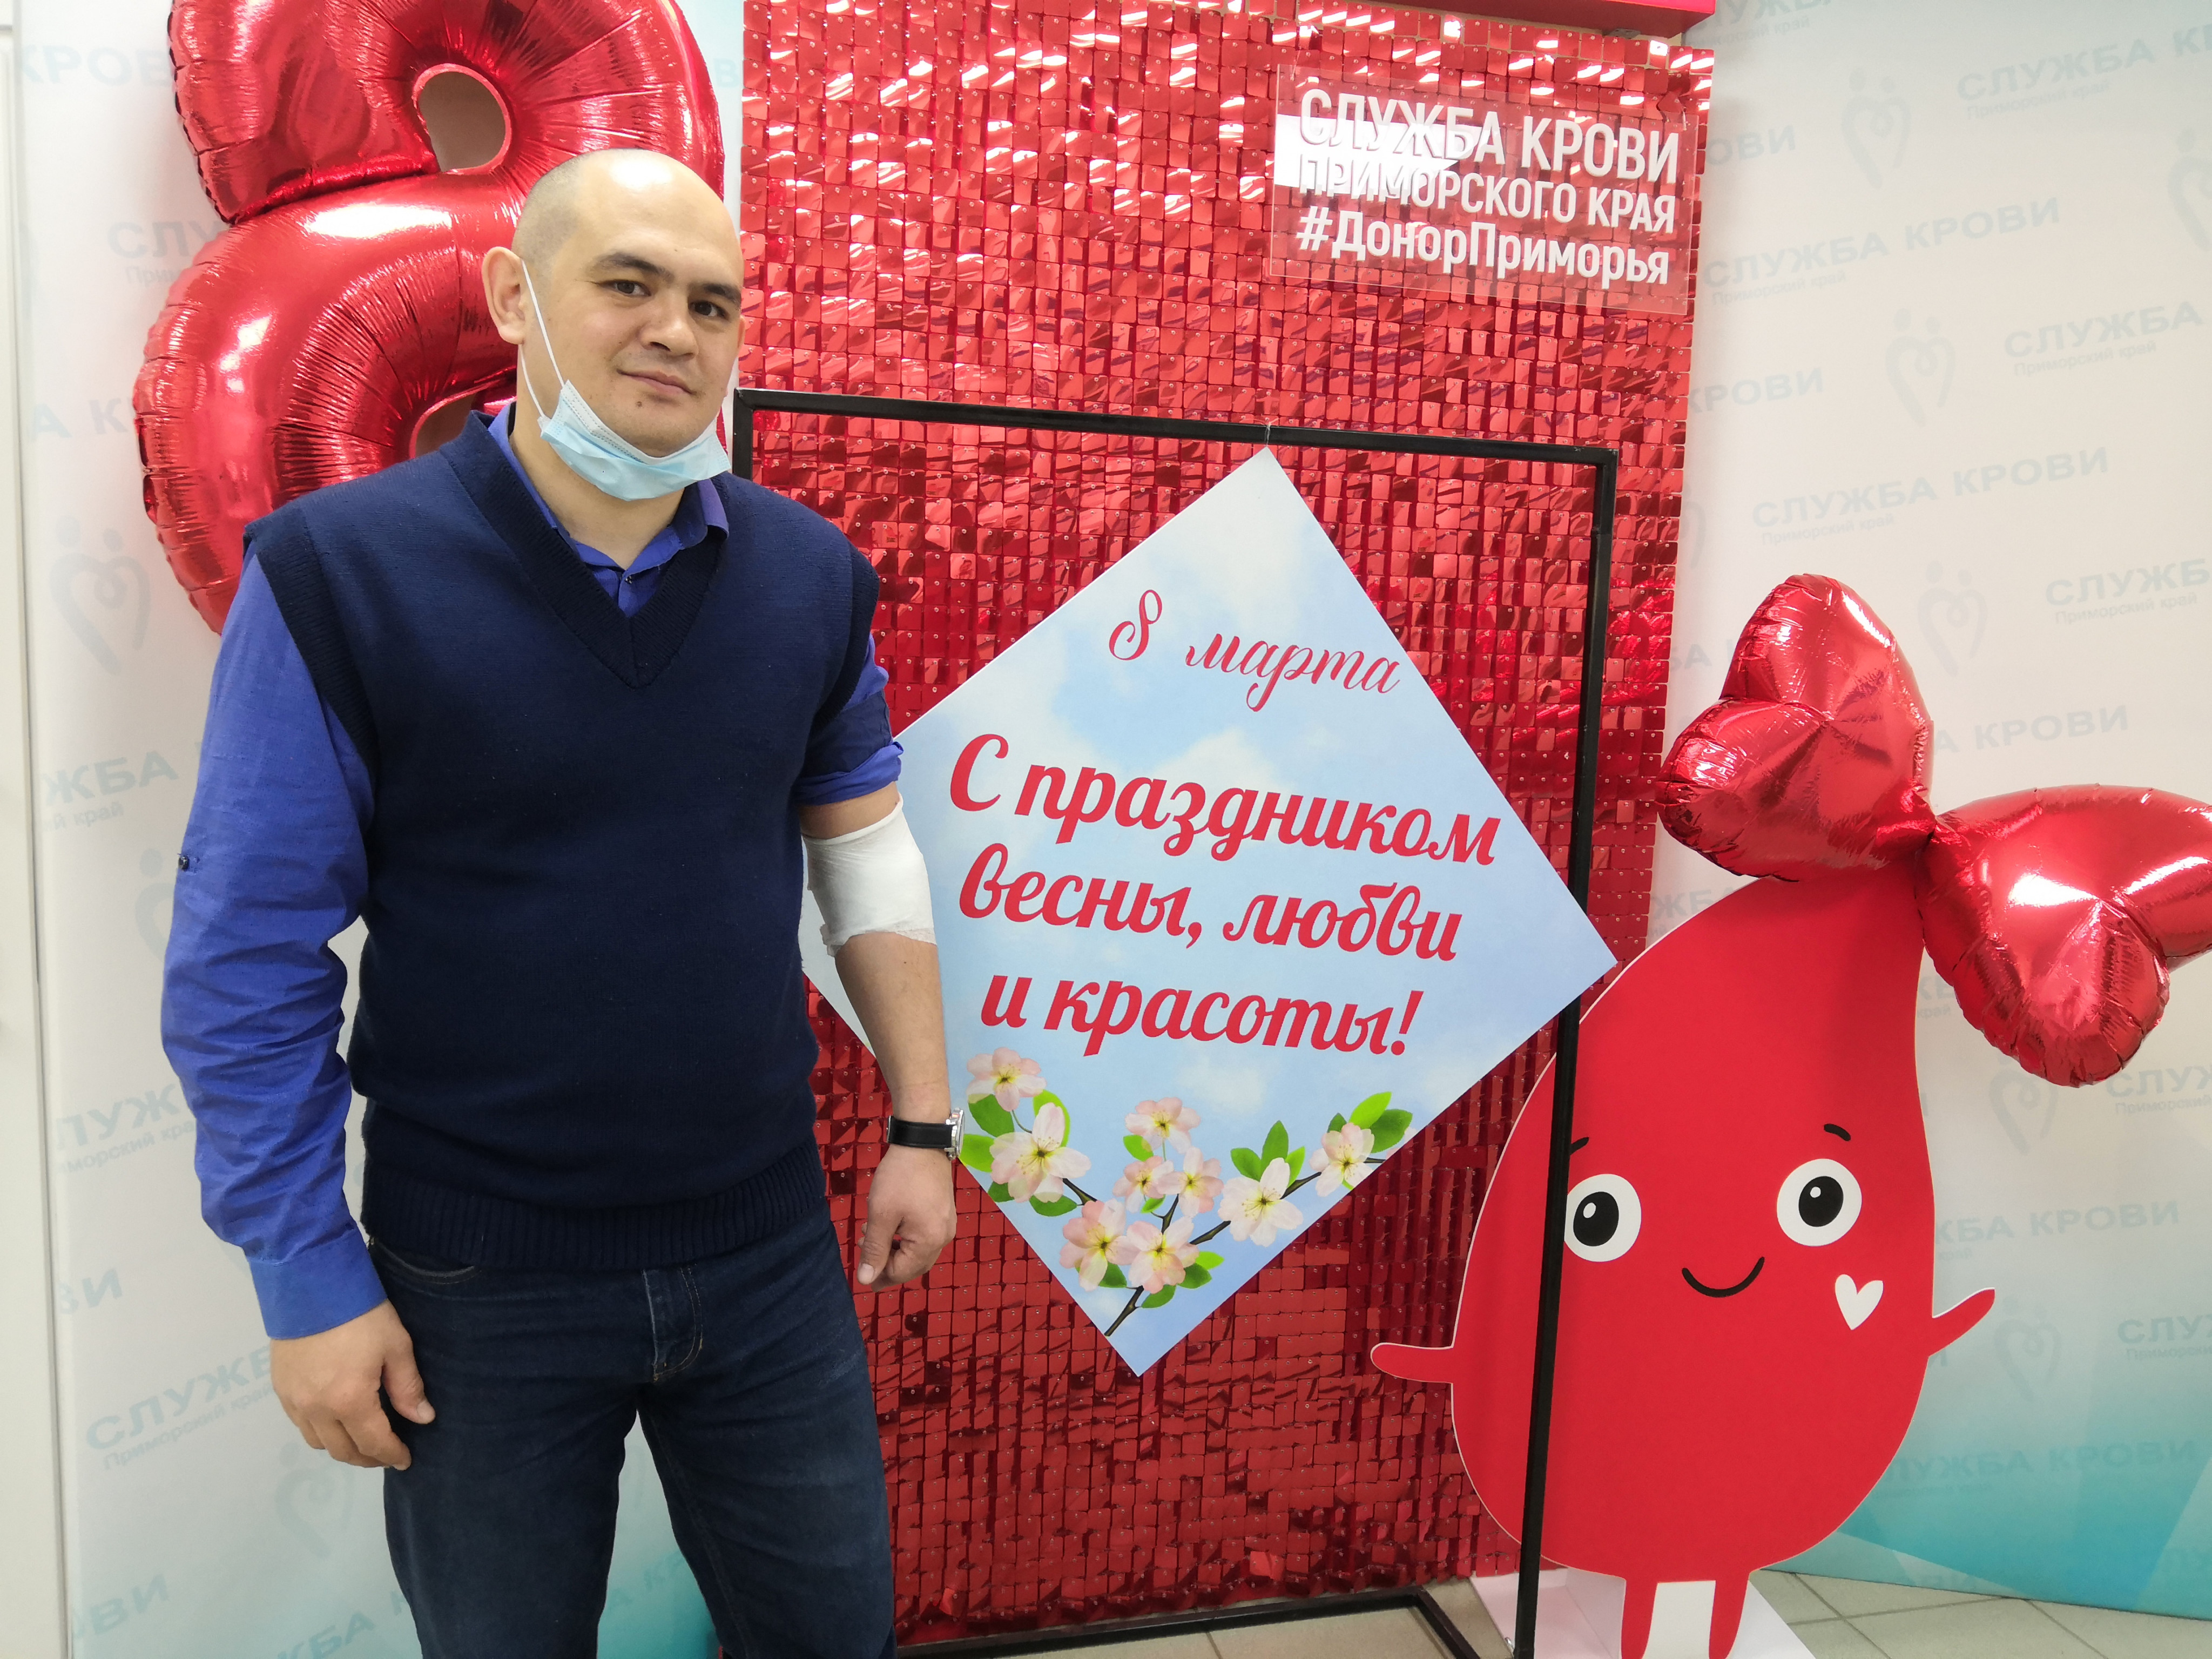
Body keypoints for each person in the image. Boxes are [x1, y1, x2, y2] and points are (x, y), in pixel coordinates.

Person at [161, 148, 958, 1659]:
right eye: (628, 284)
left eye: (712, 303)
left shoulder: (811, 580)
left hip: (767, 1251)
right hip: (477, 1279)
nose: (675, 330)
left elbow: (866, 857)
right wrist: (304, 1277)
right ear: (513, 298)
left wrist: (922, 1125)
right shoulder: (342, 574)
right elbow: (247, 953)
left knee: (830, 1634)